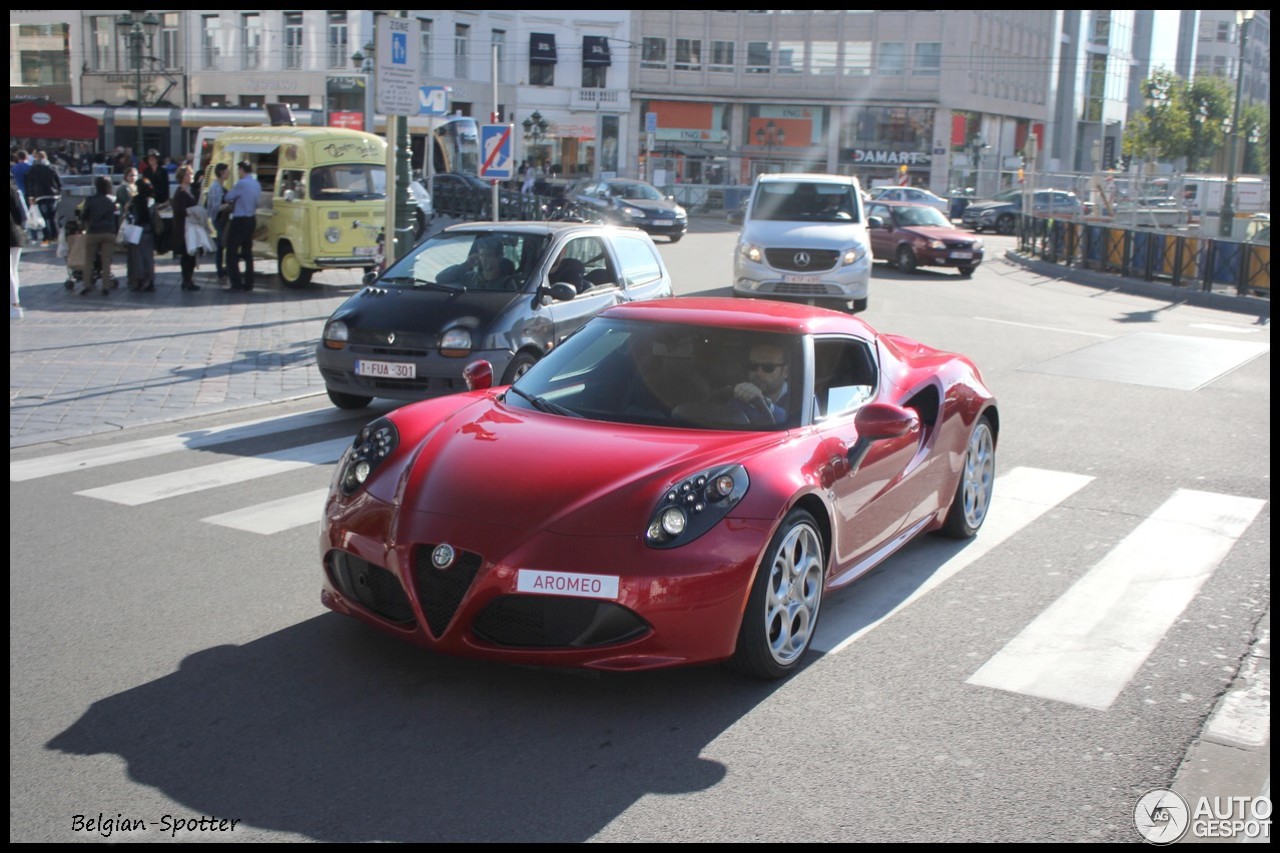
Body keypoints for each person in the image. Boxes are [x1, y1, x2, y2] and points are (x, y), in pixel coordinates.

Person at [222, 160, 261, 291]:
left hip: (240, 220)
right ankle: (249, 283)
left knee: (231, 252)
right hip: (251, 219)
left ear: (242, 170)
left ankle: (236, 283)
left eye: (239, 170)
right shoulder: (256, 184)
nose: (238, 172)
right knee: (247, 252)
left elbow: (228, 197)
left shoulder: (241, 183)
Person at [731, 342, 790, 424]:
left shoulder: (802, 398)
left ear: (785, 372)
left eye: (768, 367)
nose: (758, 373)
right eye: (753, 366)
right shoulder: (737, 395)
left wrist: (767, 405)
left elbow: (794, 425)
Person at [78, 176, 118, 296]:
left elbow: (84, 216)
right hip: (108, 232)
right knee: (106, 261)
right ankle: (106, 286)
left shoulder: (90, 200)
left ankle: (87, 285)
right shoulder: (111, 201)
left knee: (88, 260)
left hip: (93, 232)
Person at [438, 237, 517, 290]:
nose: (485, 259)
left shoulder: (507, 283)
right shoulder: (471, 278)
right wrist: (466, 265)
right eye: (482, 255)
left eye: (489, 255)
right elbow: (441, 278)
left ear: (499, 257)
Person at [170, 166, 201, 291]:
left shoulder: (190, 191)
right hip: (184, 229)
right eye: (188, 174)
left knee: (191, 255)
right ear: (183, 177)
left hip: (191, 227)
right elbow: (179, 210)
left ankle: (189, 279)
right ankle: (186, 280)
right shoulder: (180, 192)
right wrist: (192, 212)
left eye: (191, 174)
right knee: (186, 256)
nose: (191, 176)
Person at [125, 178, 157, 292]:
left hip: (137, 230)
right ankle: (151, 281)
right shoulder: (151, 200)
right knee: (149, 257)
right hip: (149, 230)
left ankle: (139, 281)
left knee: (137, 257)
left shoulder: (136, 200)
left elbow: (133, 215)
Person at [25, 151, 61, 244]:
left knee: (44, 218)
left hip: (40, 195)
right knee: (53, 217)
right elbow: (59, 181)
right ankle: (55, 235)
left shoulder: (34, 169)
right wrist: (59, 191)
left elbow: (30, 183)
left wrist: (31, 196)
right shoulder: (52, 167)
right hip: (53, 195)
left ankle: (47, 236)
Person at [204, 162, 230, 280]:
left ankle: (221, 268)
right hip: (219, 218)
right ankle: (220, 269)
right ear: (221, 173)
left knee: (222, 243)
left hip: (222, 218)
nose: (228, 173)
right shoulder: (215, 188)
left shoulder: (221, 186)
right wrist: (228, 205)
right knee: (221, 244)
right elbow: (215, 207)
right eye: (226, 171)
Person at [10, 178, 26, 318]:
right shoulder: (15, 190)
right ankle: (15, 303)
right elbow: (23, 215)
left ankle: (15, 305)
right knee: (14, 270)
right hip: (17, 234)